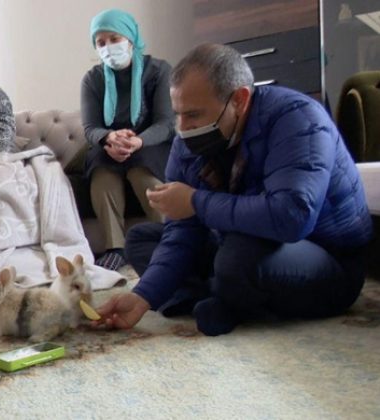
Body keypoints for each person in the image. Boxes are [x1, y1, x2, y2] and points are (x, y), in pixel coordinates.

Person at [96, 43, 373, 336]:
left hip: (327, 257)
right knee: (141, 240)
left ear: (239, 100)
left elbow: (292, 216)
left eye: (193, 115)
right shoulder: (188, 141)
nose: (182, 127)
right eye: (177, 114)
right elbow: (182, 232)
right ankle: (224, 297)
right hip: (236, 241)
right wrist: (143, 296)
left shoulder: (299, 119)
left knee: (236, 258)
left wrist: (196, 202)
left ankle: (219, 296)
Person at [80, 9, 175, 271]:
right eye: (101, 43)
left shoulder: (158, 71)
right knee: (100, 169)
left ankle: (171, 240)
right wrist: (109, 137)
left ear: (130, 39)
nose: (108, 47)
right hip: (109, 145)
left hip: (150, 143)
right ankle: (116, 249)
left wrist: (138, 141)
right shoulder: (93, 79)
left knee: (140, 170)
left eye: (114, 39)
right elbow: (90, 127)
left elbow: (166, 123)